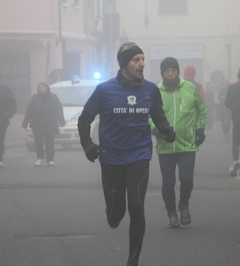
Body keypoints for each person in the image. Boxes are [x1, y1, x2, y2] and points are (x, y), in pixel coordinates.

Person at [77, 42, 175, 266]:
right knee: (115, 215)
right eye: (136, 60)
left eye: (142, 59)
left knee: (136, 206)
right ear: (124, 64)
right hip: (111, 158)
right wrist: (87, 145)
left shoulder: (150, 89)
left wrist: (166, 129)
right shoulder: (104, 90)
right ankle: (113, 211)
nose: (142, 64)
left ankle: (133, 259)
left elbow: (157, 114)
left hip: (139, 156)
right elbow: (85, 119)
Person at [152, 57, 207, 228]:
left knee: (187, 179)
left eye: (173, 70)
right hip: (165, 145)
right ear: (162, 73)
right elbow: (148, 115)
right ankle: (171, 214)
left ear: (178, 71)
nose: (170, 74)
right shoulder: (155, 91)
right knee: (168, 183)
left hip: (187, 145)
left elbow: (202, 110)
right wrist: (156, 129)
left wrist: (199, 129)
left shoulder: (190, 88)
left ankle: (184, 205)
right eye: (167, 71)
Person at [22, 82, 65, 166]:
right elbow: (29, 110)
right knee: (38, 142)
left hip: (50, 124)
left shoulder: (53, 97)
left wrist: (61, 120)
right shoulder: (35, 98)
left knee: (49, 142)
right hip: (38, 124)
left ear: (47, 88)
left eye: (43, 88)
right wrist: (25, 122)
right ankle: (39, 158)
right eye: (40, 88)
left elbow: (59, 109)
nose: (41, 89)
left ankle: (50, 159)